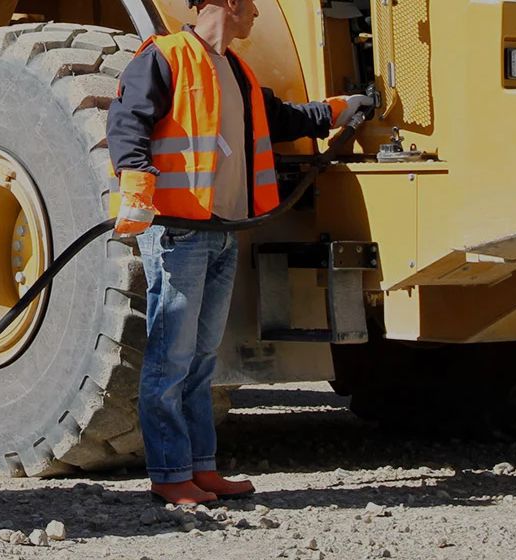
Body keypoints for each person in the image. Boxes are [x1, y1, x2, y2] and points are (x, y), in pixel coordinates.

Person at [106, 0, 373, 505]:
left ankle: (200, 468)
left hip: (225, 231)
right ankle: (169, 474)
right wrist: (138, 191)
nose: (256, 13)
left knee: (202, 359)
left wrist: (340, 110)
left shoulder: (236, 71)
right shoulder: (164, 57)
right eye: (250, 4)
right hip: (179, 232)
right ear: (225, 3)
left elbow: (282, 120)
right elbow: (127, 125)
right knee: (171, 359)